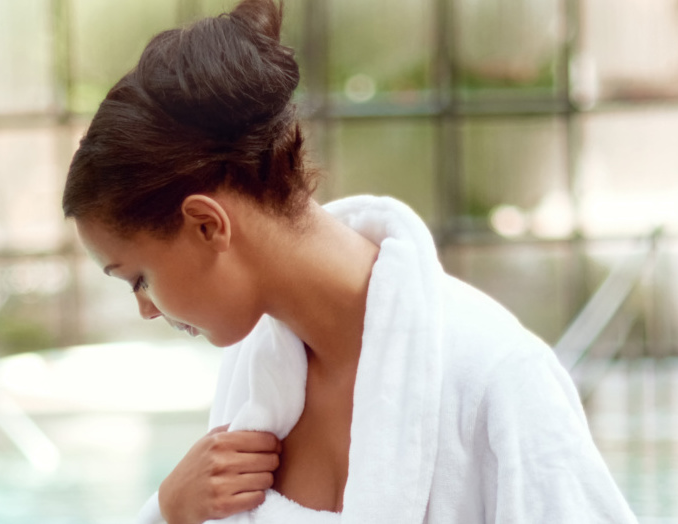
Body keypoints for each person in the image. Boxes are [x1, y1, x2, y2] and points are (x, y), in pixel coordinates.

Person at [62, 1, 636, 522]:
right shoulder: (256, 371)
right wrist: (167, 512)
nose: (145, 308)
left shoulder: (495, 377)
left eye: (138, 278)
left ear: (208, 224)